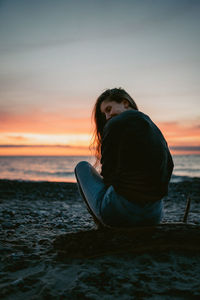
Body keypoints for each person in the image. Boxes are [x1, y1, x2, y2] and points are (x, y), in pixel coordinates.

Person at [75, 88, 174, 228]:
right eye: (104, 114)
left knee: (82, 167)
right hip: (154, 215)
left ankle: (102, 226)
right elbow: (169, 167)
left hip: (120, 214)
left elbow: (108, 174)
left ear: (125, 103)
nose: (107, 116)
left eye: (109, 109)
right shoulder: (153, 127)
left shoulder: (115, 124)